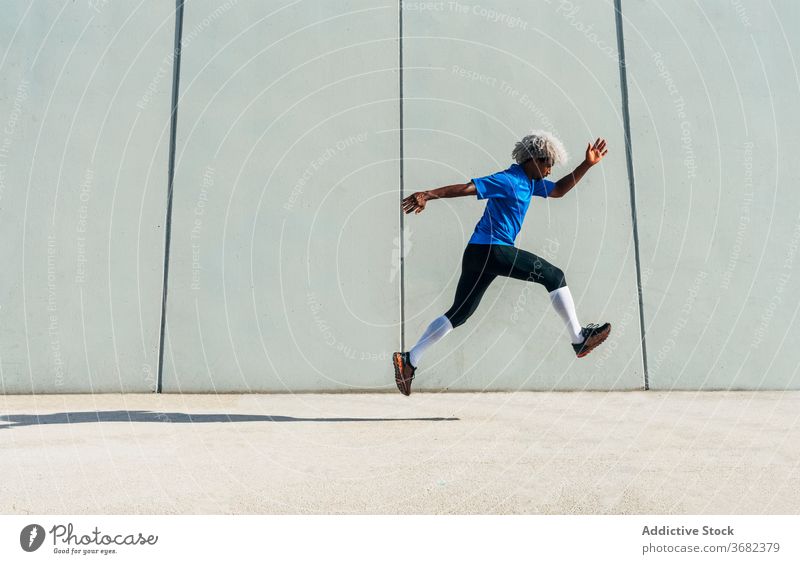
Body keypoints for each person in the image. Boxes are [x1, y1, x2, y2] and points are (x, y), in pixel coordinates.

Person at [392, 131, 612, 396]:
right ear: (531, 159)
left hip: (477, 253)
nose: (550, 169)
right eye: (547, 163)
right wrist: (427, 194)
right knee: (554, 276)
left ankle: (409, 361)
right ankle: (579, 338)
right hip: (492, 250)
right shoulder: (508, 180)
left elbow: (559, 190)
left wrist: (587, 164)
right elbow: (467, 188)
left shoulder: (531, 183)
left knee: (459, 314)